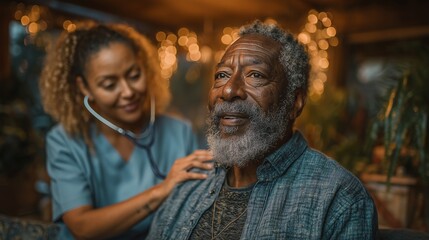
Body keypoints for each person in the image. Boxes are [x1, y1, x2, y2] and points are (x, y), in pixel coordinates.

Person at [147, 20, 378, 239]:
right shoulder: (189, 180)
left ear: (294, 102)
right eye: (222, 75)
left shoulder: (339, 198)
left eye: (255, 75)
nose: (228, 90)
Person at [39, 22, 213, 239]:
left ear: (145, 68)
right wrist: (162, 190)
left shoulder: (179, 132)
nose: (128, 92)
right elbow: (82, 227)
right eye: (109, 84)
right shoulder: (64, 141)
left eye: (133, 75)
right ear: (84, 88)